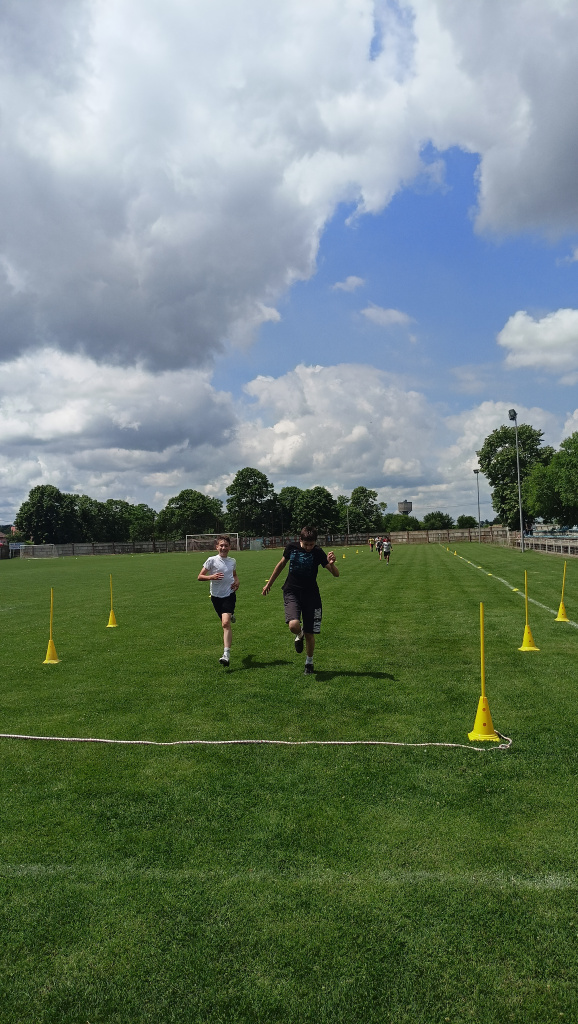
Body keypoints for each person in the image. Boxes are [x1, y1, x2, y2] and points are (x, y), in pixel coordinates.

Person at [262, 525, 339, 675]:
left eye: (312, 544)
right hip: (292, 591)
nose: (309, 547)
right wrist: (269, 584)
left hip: (311, 595)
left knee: (310, 633)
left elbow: (336, 574)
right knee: (293, 625)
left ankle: (309, 663)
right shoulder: (292, 548)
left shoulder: (318, 552)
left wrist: (332, 564)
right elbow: (281, 565)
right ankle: (299, 634)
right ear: (300, 540)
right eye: (306, 544)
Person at [197, 535, 239, 667]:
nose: (223, 548)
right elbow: (200, 576)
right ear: (217, 547)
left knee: (225, 624)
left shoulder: (232, 561)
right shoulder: (211, 560)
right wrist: (212, 577)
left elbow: (234, 575)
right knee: (225, 620)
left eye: (226, 545)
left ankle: (226, 654)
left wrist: (237, 582)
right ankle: (231, 615)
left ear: (230, 547)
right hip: (215, 597)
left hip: (229, 595)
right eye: (221, 545)